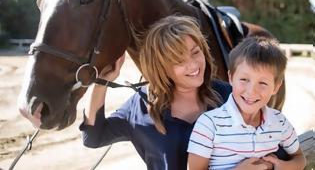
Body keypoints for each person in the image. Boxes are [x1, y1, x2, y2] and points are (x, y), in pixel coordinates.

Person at [79, 15, 276, 169]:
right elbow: (93, 137)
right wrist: (101, 83)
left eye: (195, 52)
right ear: (161, 67)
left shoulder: (229, 96)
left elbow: (270, 145)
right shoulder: (140, 107)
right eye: (178, 60)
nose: (193, 65)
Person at [187, 37, 306, 170]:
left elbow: (300, 158)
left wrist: (280, 166)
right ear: (231, 78)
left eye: (263, 83)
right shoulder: (208, 125)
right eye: (244, 79)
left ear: (276, 87)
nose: (251, 91)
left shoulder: (280, 122)